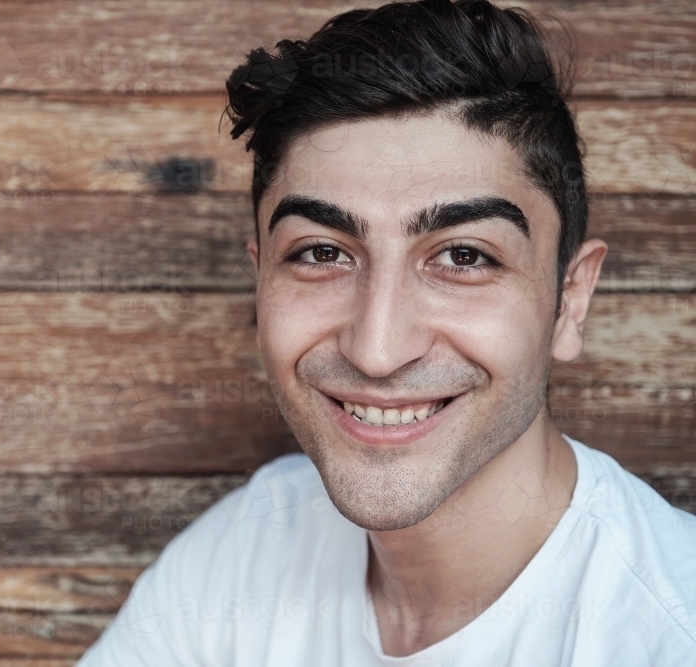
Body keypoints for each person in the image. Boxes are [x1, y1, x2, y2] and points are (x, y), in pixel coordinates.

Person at [76, 0, 696, 663]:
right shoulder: (243, 550)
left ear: (569, 299)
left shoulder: (664, 629)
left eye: (464, 256)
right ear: (261, 280)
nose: (377, 349)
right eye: (320, 253)